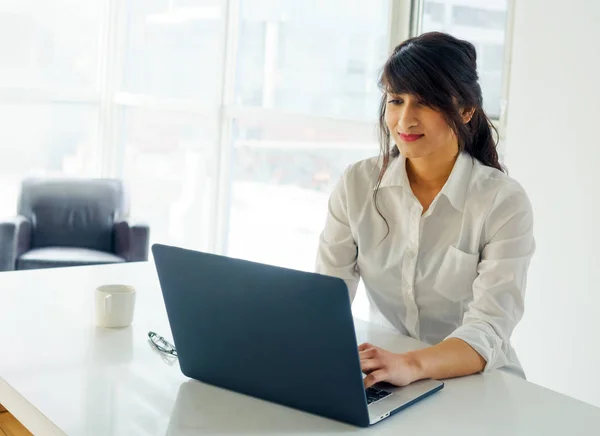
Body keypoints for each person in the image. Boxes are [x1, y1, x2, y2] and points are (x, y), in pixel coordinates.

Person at [316, 32, 535, 389]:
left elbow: (489, 327)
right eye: (396, 100)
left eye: (426, 103)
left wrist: (412, 364)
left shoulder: (502, 202)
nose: (405, 120)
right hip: (388, 375)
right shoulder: (358, 184)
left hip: (478, 384)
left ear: (466, 111)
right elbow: (326, 296)